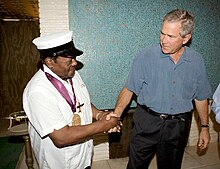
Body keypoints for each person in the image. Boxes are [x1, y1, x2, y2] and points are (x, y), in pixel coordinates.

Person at [113, 9, 212, 169]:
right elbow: (129, 88)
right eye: (162, 33)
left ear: (186, 38)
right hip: (147, 122)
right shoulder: (145, 56)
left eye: (171, 36)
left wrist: (205, 128)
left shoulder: (196, 61)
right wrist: (116, 115)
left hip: (178, 126)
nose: (163, 40)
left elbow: (200, 97)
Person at [23, 31, 120, 169]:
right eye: (69, 60)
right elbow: (61, 137)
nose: (75, 63)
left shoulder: (71, 73)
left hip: (83, 156)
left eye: (74, 58)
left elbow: (81, 103)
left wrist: (99, 114)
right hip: (59, 162)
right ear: (50, 62)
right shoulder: (38, 91)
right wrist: (103, 125)